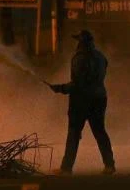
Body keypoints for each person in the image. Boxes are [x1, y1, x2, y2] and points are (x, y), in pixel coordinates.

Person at [49, 30, 115, 175]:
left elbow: (78, 84)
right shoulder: (100, 56)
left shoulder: (79, 58)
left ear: (81, 42)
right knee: (100, 131)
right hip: (99, 98)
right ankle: (110, 165)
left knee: (73, 133)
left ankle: (66, 168)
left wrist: (60, 88)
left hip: (81, 100)